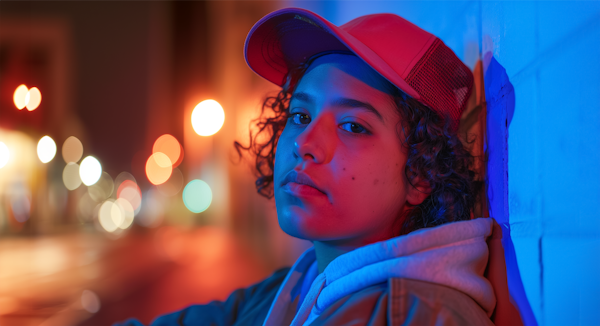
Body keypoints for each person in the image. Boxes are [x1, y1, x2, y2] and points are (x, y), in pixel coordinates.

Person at [117, 8, 524, 326]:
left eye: (353, 126)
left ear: (420, 171)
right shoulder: (299, 283)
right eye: (300, 116)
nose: (306, 145)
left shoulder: (413, 316)